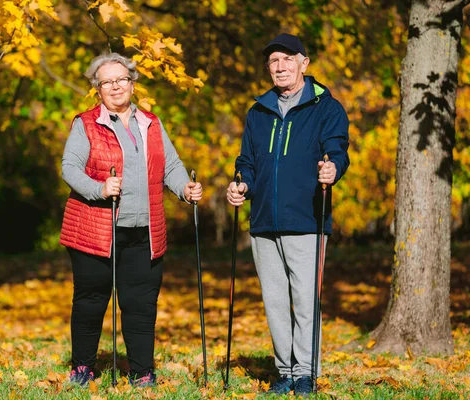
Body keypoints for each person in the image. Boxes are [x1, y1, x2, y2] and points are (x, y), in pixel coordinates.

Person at [59, 52, 202, 387]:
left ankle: (141, 371)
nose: (116, 86)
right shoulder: (86, 124)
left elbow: (170, 165)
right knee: (91, 301)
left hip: (145, 231)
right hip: (96, 230)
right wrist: (99, 188)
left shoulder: (150, 123)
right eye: (107, 82)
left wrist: (185, 188)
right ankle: (83, 368)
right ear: (98, 89)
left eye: (121, 79)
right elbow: (69, 168)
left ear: (133, 83)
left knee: (140, 305)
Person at [226, 33, 349, 397]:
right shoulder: (258, 111)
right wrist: (240, 184)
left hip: (307, 219)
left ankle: (307, 373)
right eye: (273, 62)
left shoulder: (326, 108)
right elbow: (246, 162)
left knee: (306, 301)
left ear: (303, 63)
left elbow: (337, 150)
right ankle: (285, 370)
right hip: (264, 221)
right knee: (275, 301)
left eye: (287, 59)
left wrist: (333, 169)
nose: (279, 67)